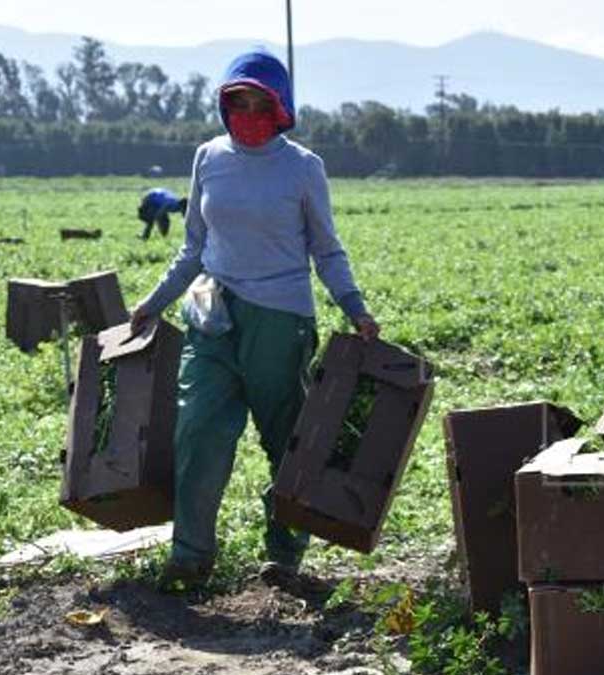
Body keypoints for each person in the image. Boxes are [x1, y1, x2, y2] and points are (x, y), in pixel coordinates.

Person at [130, 48, 380, 590]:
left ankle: (284, 556)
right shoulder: (209, 158)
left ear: (280, 106)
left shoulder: (302, 168)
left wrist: (354, 307)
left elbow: (326, 251)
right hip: (212, 314)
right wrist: (152, 302)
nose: (246, 113)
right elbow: (194, 245)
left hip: (280, 320)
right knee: (197, 429)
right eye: (235, 102)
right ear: (223, 107)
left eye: (257, 102)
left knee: (286, 440)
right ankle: (190, 555)